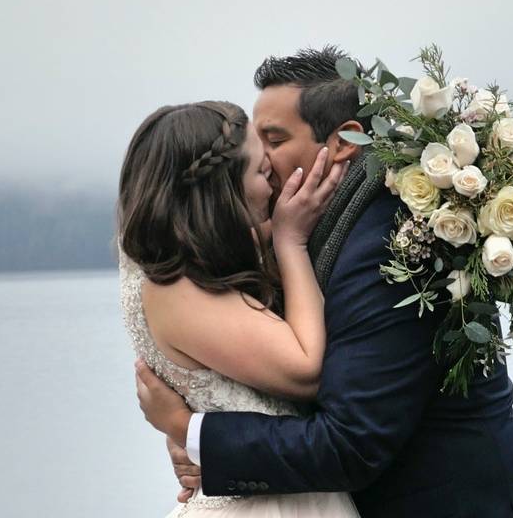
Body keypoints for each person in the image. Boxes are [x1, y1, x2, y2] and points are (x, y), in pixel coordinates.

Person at [135, 48, 513, 517]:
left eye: (273, 139)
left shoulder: (393, 250)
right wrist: (204, 445)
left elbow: (351, 443)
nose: (260, 161)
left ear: (344, 142)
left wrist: (196, 433)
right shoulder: (308, 229)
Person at [118, 99, 357, 516]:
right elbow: (305, 369)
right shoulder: (174, 287)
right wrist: (290, 241)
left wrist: (188, 433)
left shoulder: (188, 258)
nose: (275, 186)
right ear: (223, 194)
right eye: (263, 173)